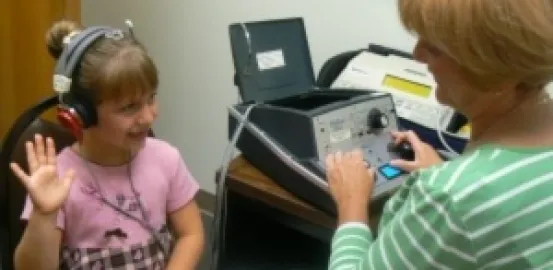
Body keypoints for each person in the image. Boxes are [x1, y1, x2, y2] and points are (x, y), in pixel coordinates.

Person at [327, 0, 553, 269]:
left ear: (498, 74)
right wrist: (441, 172)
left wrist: (352, 205)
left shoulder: (452, 198)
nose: (417, 54)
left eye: (434, 47)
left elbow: (466, 204)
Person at [9, 20, 204, 270]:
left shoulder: (166, 159)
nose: (148, 116)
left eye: (151, 98)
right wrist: (44, 215)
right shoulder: (59, 179)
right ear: (81, 114)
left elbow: (192, 235)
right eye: (129, 107)